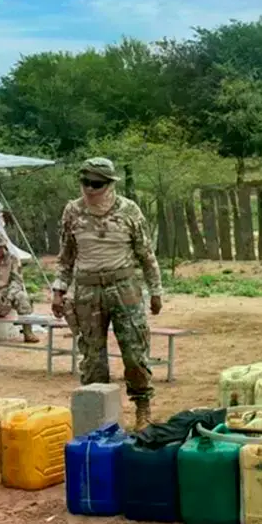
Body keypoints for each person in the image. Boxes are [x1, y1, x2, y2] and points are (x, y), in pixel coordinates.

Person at [51, 157, 164, 429]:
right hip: (88, 290)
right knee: (92, 359)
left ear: (109, 184)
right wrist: (58, 290)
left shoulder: (129, 211)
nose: (90, 189)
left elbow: (146, 255)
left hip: (124, 287)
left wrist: (156, 290)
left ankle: (142, 407)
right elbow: (66, 256)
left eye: (96, 184)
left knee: (135, 353)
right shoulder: (73, 211)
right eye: (85, 183)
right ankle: (98, 417)